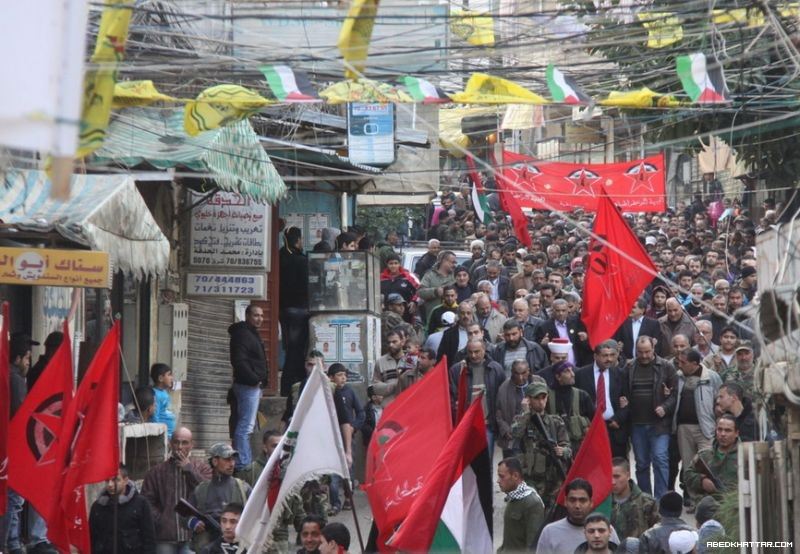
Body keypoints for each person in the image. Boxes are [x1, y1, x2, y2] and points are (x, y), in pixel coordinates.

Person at [2, 333, 57, 554]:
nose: (29, 362)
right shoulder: (14, 379)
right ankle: (12, 543)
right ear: (17, 358)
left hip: (9, 448)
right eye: (26, 358)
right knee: (14, 498)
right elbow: (20, 416)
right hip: (14, 449)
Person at [141, 427, 212, 554]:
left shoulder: (202, 468)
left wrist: (189, 469)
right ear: (170, 443)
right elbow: (146, 502)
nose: (180, 447)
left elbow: (207, 493)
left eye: (184, 443)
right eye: (176, 442)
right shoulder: (156, 472)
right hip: (165, 538)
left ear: (191, 445)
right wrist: (161, 520)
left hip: (193, 536)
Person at [625, 335, 677, 500]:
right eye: (640, 352)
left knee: (660, 459)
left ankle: (661, 499)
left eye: (647, 352)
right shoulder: (629, 366)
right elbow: (622, 389)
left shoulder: (666, 367)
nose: (644, 356)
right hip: (637, 424)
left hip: (659, 424)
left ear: (653, 349)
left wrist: (665, 407)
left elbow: (675, 394)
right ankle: (646, 499)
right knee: (641, 463)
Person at [673, 349, 721, 509]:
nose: (680, 365)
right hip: (683, 429)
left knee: (707, 464)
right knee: (688, 466)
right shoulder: (678, 377)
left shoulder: (711, 377)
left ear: (694, 364)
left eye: (683, 362)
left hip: (705, 428)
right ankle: (695, 501)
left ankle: (710, 502)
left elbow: (720, 400)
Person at [511, 381, 571, 508]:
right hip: (530, 479)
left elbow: (568, 447)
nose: (541, 401)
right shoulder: (522, 420)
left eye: (543, 397)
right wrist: (526, 412)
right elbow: (515, 433)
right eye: (536, 398)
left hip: (552, 478)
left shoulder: (555, 421)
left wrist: (563, 451)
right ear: (528, 400)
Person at [188, 443, 251, 551]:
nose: (232, 464)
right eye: (227, 459)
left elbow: (256, 516)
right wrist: (193, 522)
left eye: (233, 460)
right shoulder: (201, 490)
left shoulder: (243, 489)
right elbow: (185, 515)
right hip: (207, 546)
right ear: (215, 461)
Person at [228, 303, 268, 470]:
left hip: (251, 386)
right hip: (247, 386)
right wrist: (254, 380)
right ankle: (243, 462)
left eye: (261, 315)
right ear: (247, 316)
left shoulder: (251, 334)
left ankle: (244, 459)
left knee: (246, 425)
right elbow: (239, 361)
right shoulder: (243, 335)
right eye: (255, 315)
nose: (259, 319)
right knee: (245, 426)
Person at [575, 340, 630, 459]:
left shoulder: (620, 374)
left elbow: (628, 402)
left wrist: (618, 419)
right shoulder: (581, 374)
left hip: (614, 428)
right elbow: (577, 401)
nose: (609, 359)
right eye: (605, 355)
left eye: (612, 355)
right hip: (591, 429)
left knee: (616, 466)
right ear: (595, 356)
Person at [449, 339, 505, 452]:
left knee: (486, 464)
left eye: (477, 351)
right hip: (466, 426)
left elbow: (502, 397)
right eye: (470, 352)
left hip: (487, 424)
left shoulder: (495, 369)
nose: (473, 355)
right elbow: (451, 396)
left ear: (484, 350)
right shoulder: (457, 370)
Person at [537, 479, 619, 554]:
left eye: (582, 500)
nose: (577, 506)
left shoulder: (605, 531)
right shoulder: (550, 532)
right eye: (572, 500)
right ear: (565, 501)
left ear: (591, 503)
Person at [89, 466, 156, 554]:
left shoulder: (141, 504)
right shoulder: (98, 506)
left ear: (126, 480)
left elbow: (149, 538)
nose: (110, 484)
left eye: (115, 480)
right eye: (107, 480)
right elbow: (92, 537)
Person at [279, 226, 309, 396]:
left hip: (284, 311)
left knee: (291, 349)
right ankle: (290, 388)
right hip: (299, 311)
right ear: (298, 241)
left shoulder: (280, 256)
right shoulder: (301, 260)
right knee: (296, 351)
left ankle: (289, 387)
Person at [684, 414, 740, 501]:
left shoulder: (744, 455)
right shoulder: (705, 454)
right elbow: (688, 475)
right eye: (719, 429)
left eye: (728, 430)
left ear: (736, 433)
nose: (723, 434)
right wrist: (701, 481)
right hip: (708, 502)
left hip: (734, 504)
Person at [497, 457, 545, 552]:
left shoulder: (532, 503)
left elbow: (532, 546)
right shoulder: (513, 497)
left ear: (515, 476)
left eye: (502, 476)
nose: (498, 481)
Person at [496, 360, 541, 457]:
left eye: (523, 373)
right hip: (514, 435)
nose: (520, 377)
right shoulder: (504, 388)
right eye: (517, 373)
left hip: (536, 433)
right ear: (512, 372)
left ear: (528, 371)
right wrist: (505, 429)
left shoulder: (538, 382)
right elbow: (498, 412)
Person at [548, 361, 594, 452]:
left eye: (572, 370)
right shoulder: (547, 397)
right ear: (558, 376)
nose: (572, 374)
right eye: (567, 371)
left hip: (580, 447)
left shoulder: (582, 395)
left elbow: (594, 420)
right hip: (556, 448)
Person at [610, 457, 659, 541]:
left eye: (617, 476)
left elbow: (658, 534)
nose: (612, 482)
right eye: (609, 476)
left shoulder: (647, 502)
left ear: (628, 475)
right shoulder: (604, 503)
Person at [535, 299, 592, 367]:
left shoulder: (577, 323)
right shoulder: (544, 327)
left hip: (577, 366)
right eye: (558, 310)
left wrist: (586, 338)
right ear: (552, 311)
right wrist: (543, 344)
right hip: (556, 367)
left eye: (563, 310)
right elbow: (539, 350)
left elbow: (585, 345)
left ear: (568, 310)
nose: (561, 313)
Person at [150, 363, 176, 438]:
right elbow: (155, 417)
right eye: (169, 375)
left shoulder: (164, 392)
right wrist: (160, 435)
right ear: (160, 378)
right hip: (163, 436)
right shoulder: (155, 394)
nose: (172, 378)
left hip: (169, 435)